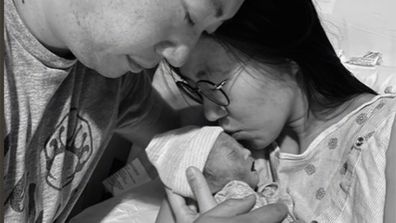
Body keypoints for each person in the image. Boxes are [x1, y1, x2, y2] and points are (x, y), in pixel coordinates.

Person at [3, 0, 262, 222]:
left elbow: (184, 140)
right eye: (190, 17)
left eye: (205, 31)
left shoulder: (110, 80)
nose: (178, 58)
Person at [164, 0, 396, 222]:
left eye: (212, 84)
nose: (210, 113)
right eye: (196, 89)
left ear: (282, 52)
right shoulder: (216, 148)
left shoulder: (384, 132)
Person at [145, 125, 296, 223]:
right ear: (204, 182)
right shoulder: (234, 193)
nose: (246, 151)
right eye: (232, 153)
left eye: (240, 146)